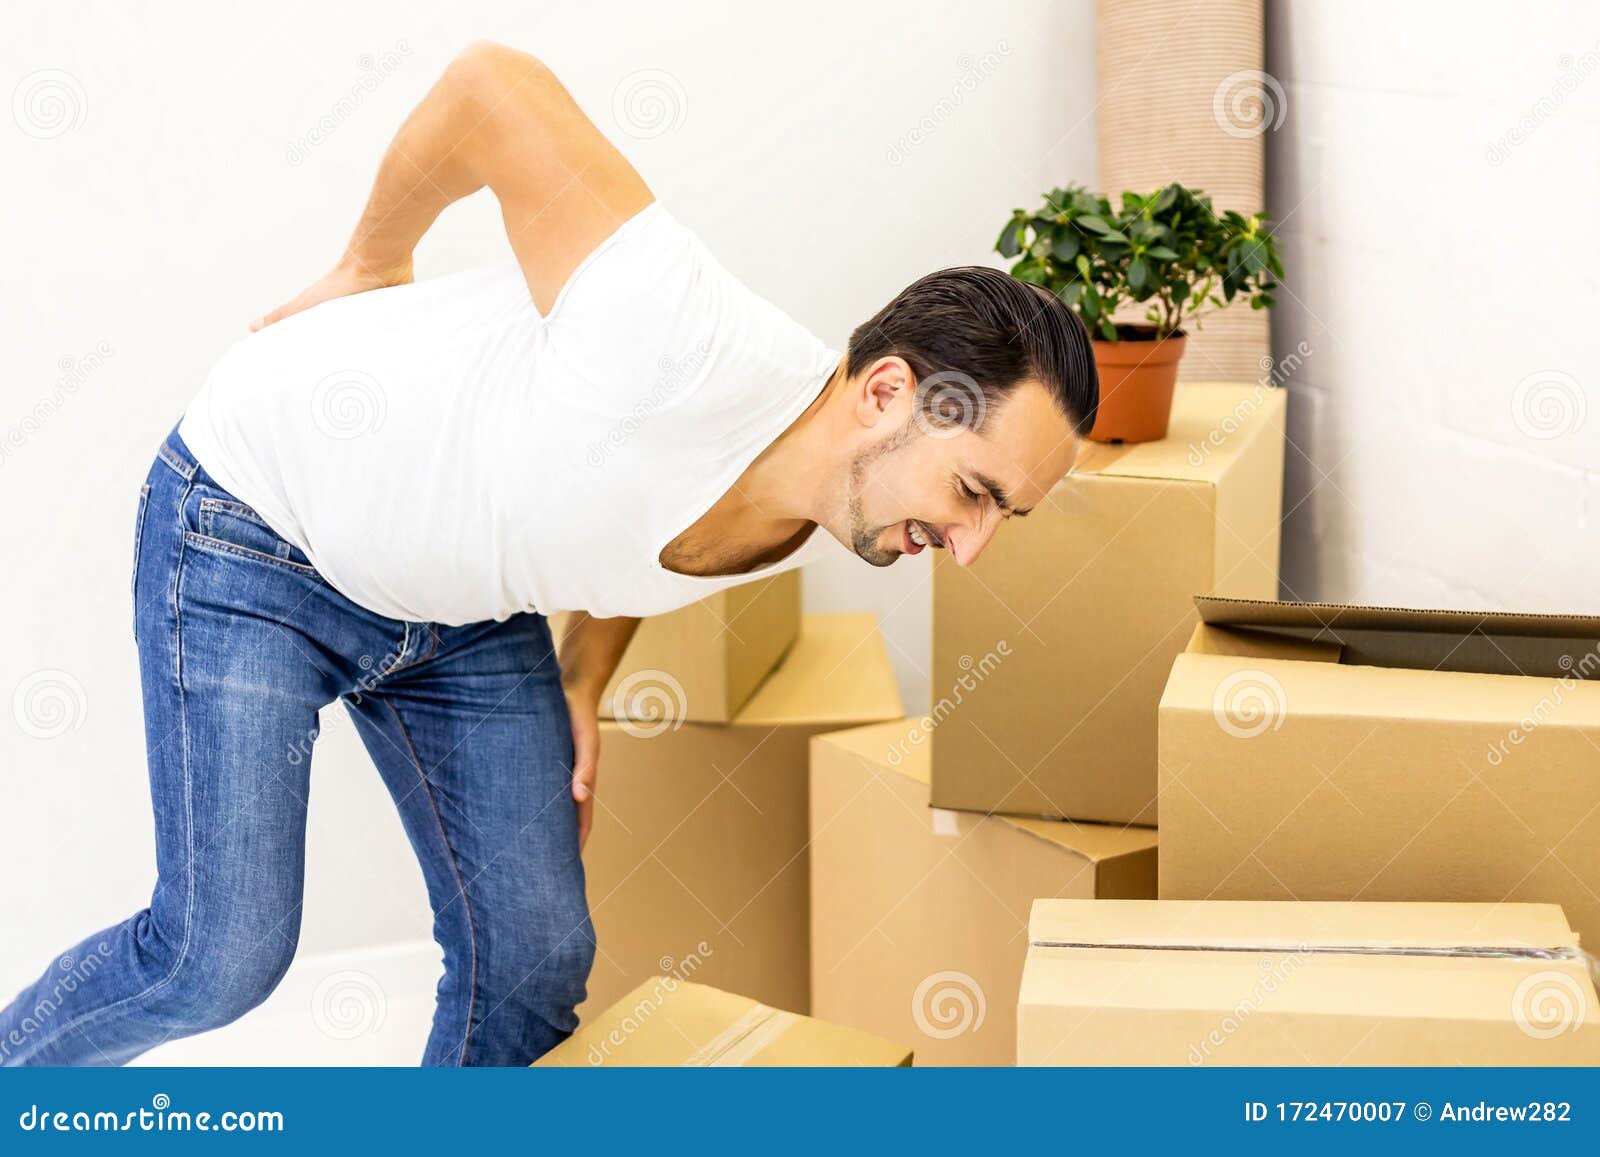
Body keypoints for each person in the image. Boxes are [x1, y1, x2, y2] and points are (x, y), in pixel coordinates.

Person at [0, 40, 1095, 1067]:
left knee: (532, 958)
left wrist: (584, 676)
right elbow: (491, 86)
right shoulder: (674, 328)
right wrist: (373, 260)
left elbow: (649, 522)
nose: (970, 548)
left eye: (1004, 515)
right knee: (216, 958)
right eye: (974, 492)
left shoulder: (820, 502)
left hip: (458, 613)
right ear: (889, 392)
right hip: (256, 525)